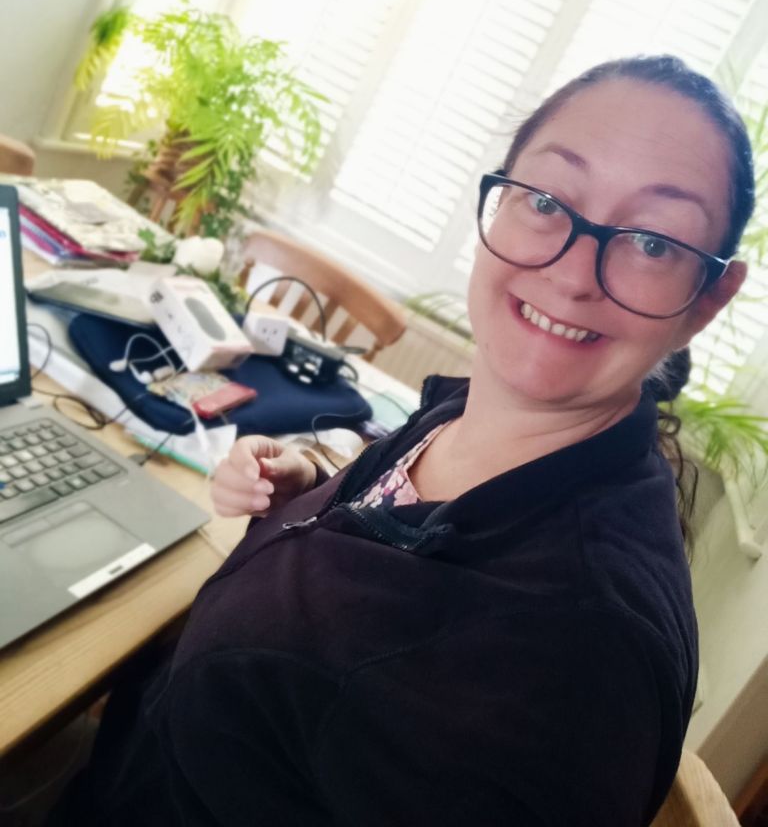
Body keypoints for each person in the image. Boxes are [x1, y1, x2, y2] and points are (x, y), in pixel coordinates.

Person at [52, 55, 754, 826]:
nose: (574, 273)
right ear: (500, 198)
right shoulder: (483, 421)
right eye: (547, 200)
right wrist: (315, 489)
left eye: (653, 243)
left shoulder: (568, 670)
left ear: (709, 298)